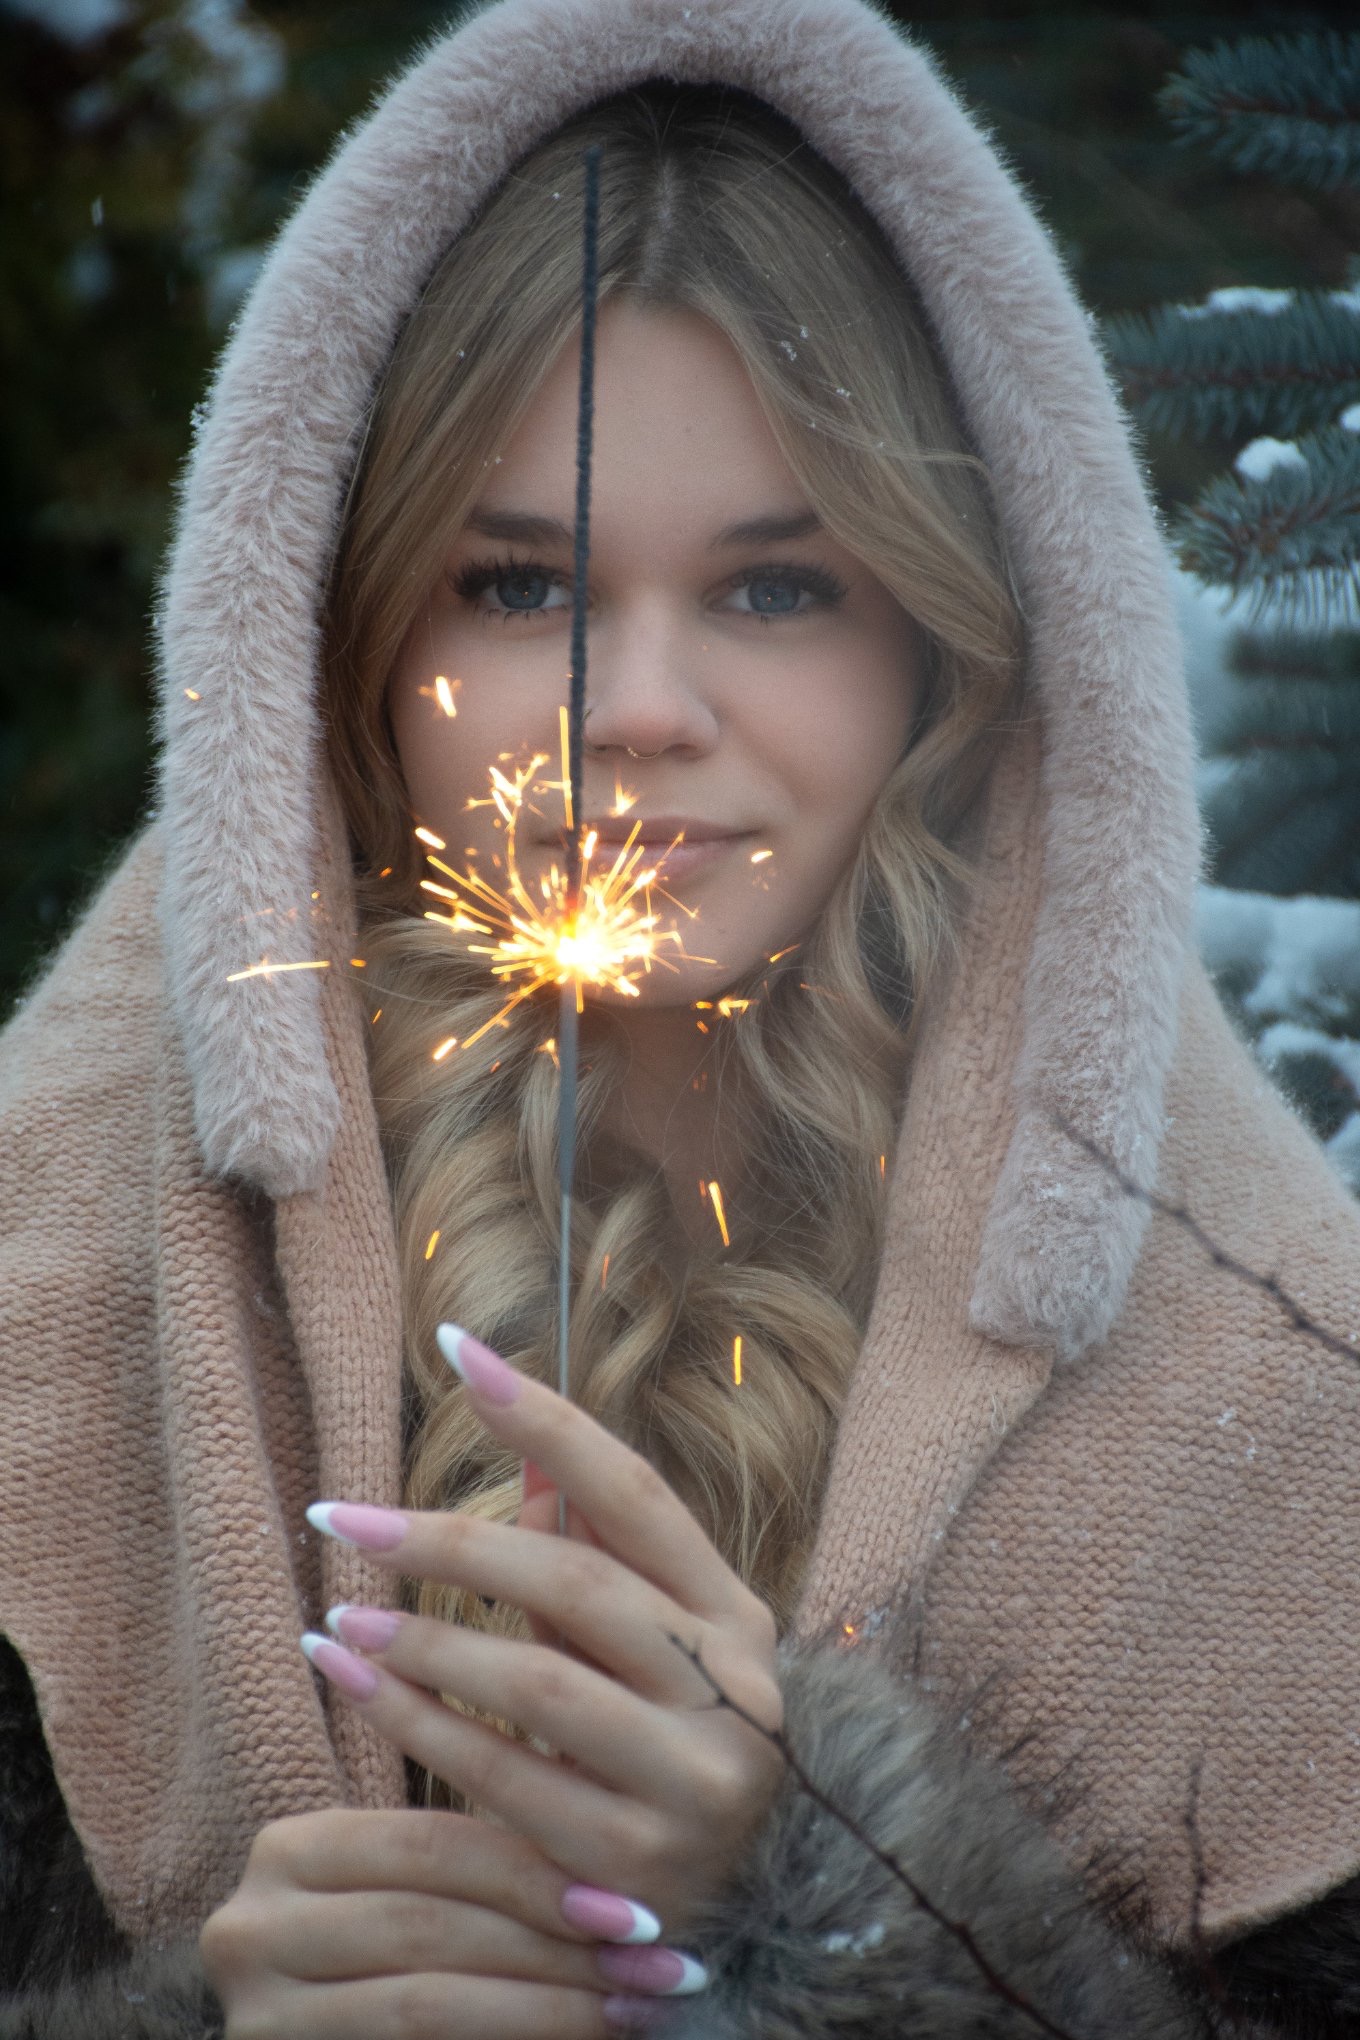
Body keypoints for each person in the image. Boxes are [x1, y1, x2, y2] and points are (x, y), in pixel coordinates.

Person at [3, 1, 1360, 2034]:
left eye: (774, 591)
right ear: (343, 642)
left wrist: (846, 1907)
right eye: (517, 589)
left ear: (943, 647)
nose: (630, 709)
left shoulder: (1229, 1321)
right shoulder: (61, 1247)